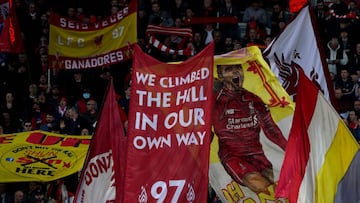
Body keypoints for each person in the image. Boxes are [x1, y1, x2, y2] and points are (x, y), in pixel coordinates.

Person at [212, 64, 287, 194]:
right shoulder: (215, 100)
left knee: (281, 185)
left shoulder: (253, 99)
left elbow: (270, 128)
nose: (236, 72)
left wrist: (288, 148)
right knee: (263, 187)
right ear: (221, 75)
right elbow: (203, 128)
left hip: (257, 154)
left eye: (238, 68)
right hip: (233, 155)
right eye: (229, 69)